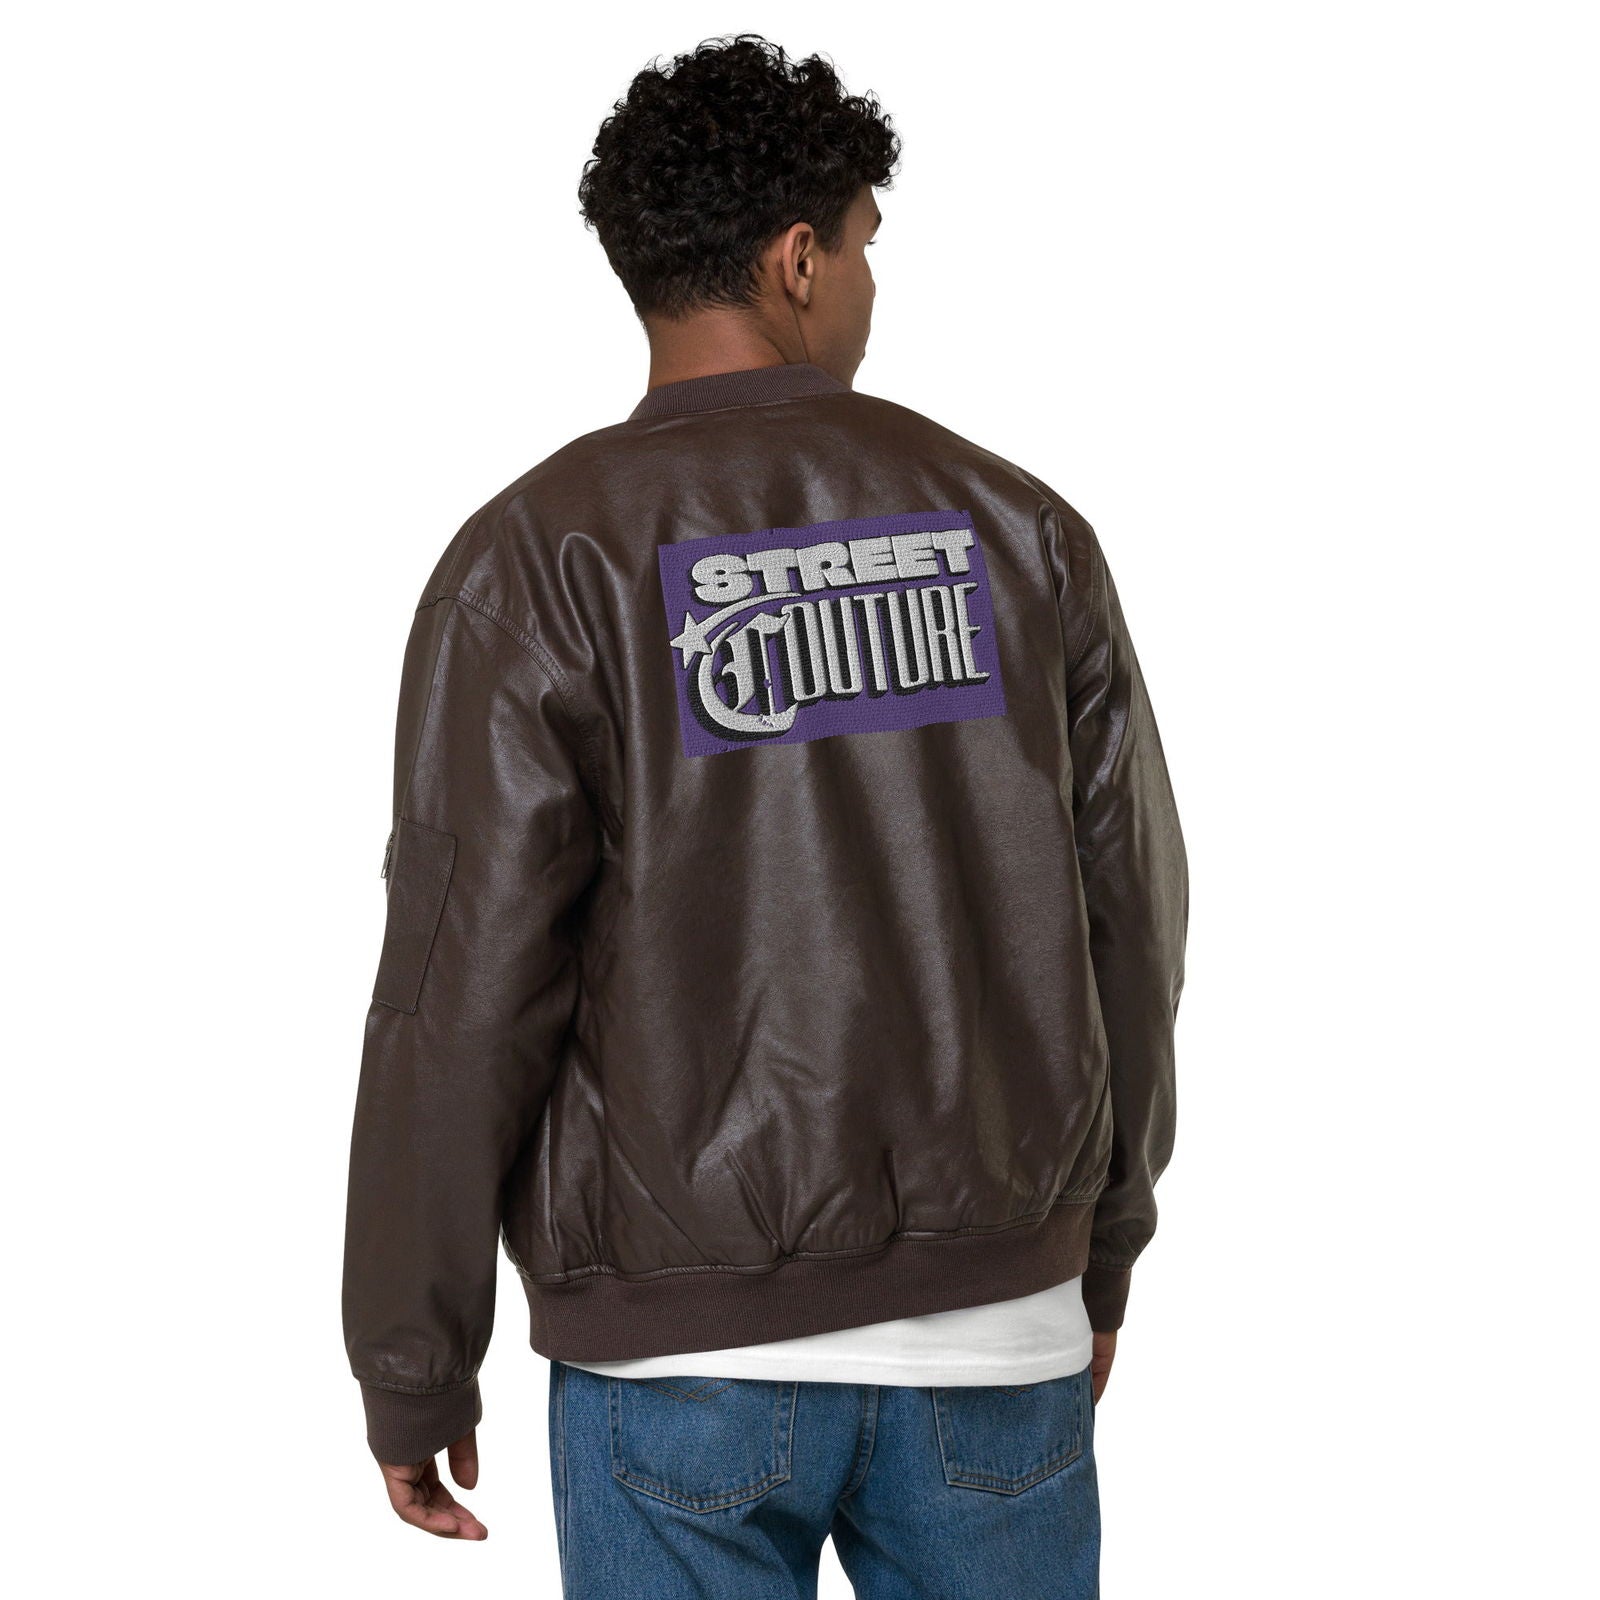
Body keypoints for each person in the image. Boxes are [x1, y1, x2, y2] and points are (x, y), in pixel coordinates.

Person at [342, 33, 1187, 1598]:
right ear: (798, 260)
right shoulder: (1021, 532)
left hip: (677, 1367)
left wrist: (413, 1353)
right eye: (863, 244)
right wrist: (1103, 1247)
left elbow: (462, 989)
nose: (867, 282)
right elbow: (1130, 917)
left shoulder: (534, 561)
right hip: (996, 1339)